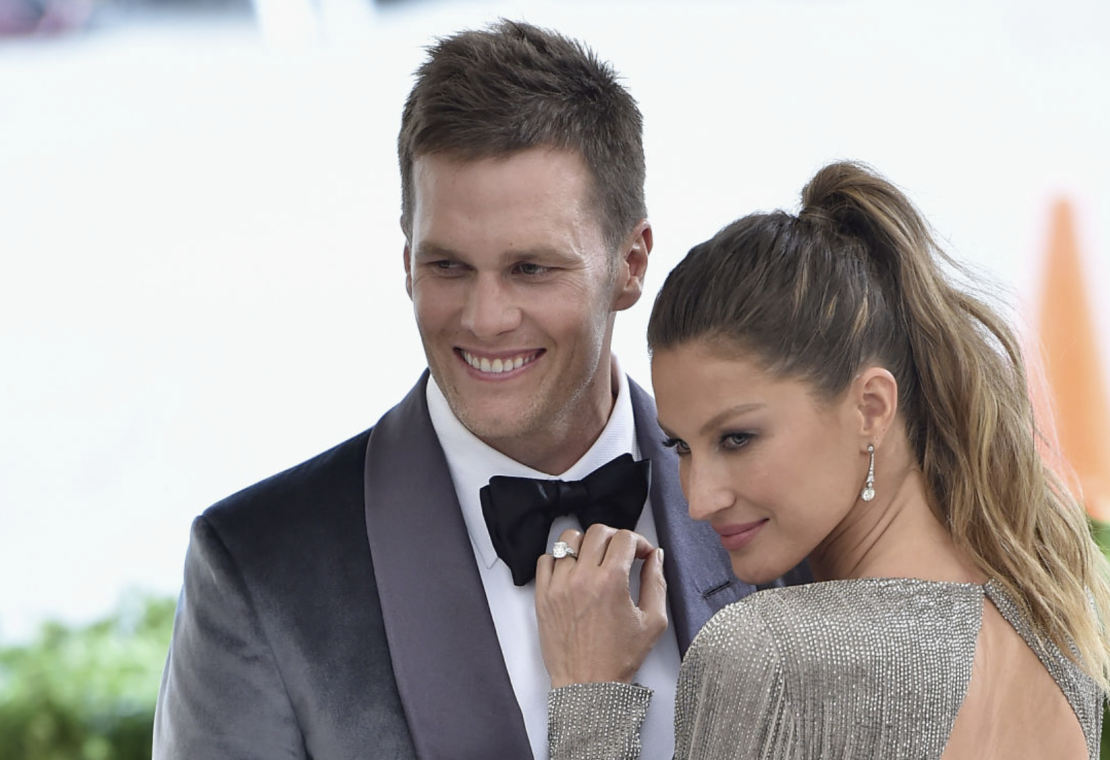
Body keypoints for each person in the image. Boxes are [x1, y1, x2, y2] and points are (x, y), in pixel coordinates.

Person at [151, 20, 786, 760]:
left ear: (631, 263)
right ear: (405, 257)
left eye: (531, 269)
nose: (485, 319)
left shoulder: (785, 513)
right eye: (448, 266)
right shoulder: (258, 571)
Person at [535, 160, 1110, 759]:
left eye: (738, 438)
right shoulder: (1052, 629)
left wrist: (591, 697)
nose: (699, 499)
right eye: (681, 447)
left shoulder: (768, 653)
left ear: (871, 407)